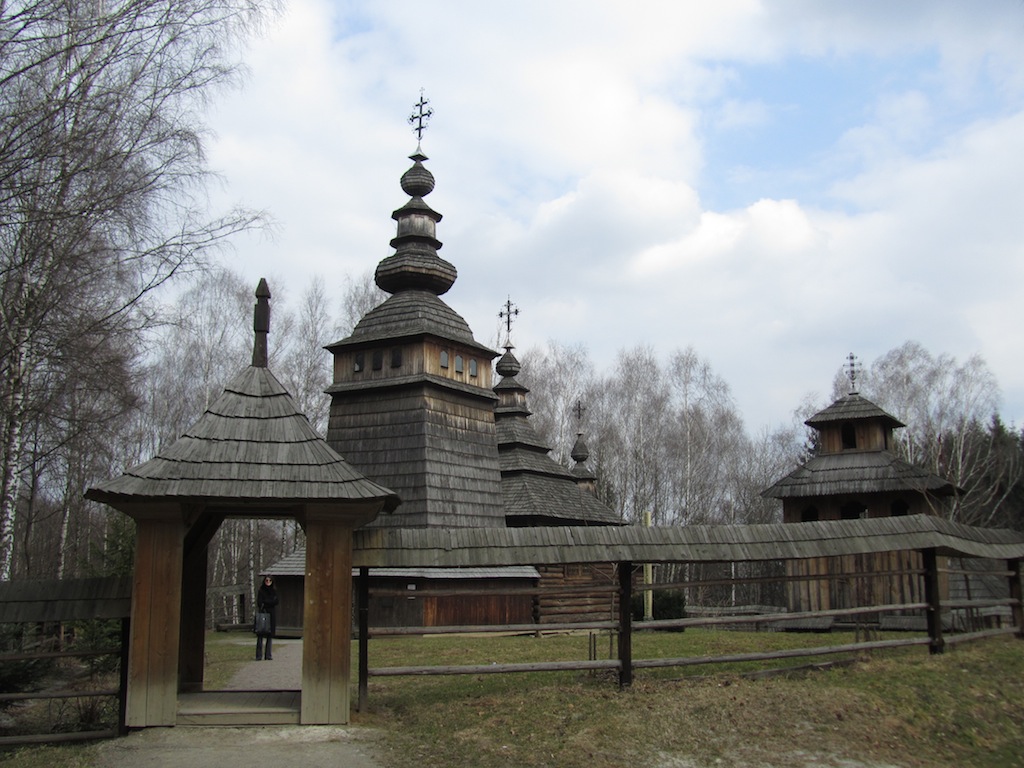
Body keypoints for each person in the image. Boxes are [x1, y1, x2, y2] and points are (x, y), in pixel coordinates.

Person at [255, 575, 278, 660]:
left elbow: (276, 601)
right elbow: (259, 602)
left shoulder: (274, 591)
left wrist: (266, 602)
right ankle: (258, 655)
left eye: (269, 581)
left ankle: (268, 655)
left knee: (270, 635)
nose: (268, 582)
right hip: (263, 614)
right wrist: (268, 602)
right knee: (260, 635)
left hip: (271, 614)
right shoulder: (261, 590)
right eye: (266, 580)